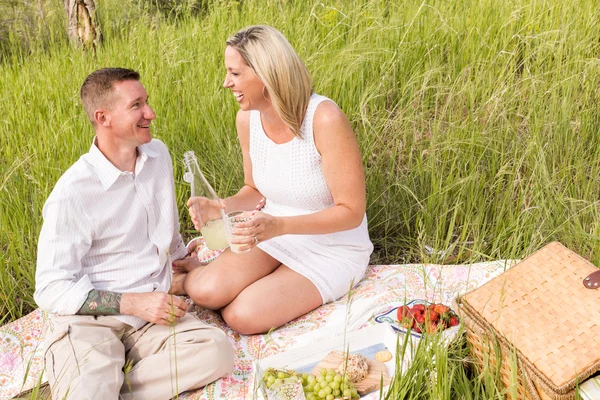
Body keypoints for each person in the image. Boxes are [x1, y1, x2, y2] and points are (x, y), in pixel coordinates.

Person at [34, 68, 233, 400]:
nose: (150, 113)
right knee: (89, 391)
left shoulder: (158, 156)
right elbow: (51, 287)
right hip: (90, 321)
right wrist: (133, 302)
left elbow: (167, 239)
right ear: (104, 117)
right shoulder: (73, 193)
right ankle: (90, 383)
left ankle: (108, 389)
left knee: (215, 351)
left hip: (150, 322)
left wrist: (186, 262)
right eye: (137, 105)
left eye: (147, 102)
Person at [172, 25, 373, 335]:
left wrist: (279, 227)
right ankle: (196, 275)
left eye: (235, 74)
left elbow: (351, 211)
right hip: (272, 230)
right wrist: (220, 207)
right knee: (205, 291)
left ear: (266, 74)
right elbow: (254, 190)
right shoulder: (247, 119)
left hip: (333, 245)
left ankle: (254, 282)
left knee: (243, 315)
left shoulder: (324, 118)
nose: (227, 83)